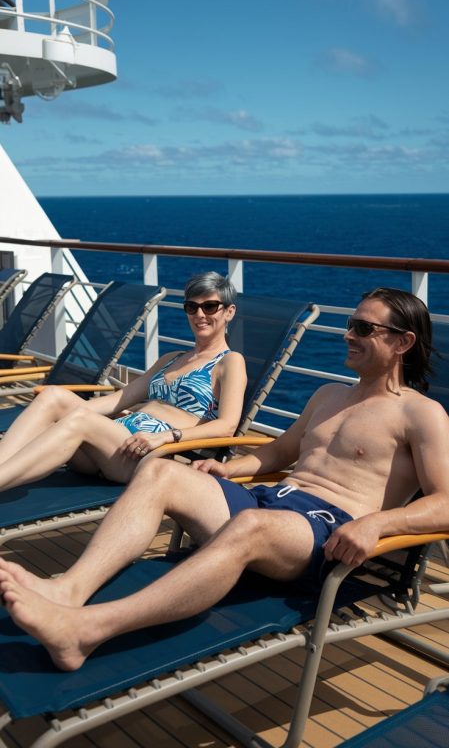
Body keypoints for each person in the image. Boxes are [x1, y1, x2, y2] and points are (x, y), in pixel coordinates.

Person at [1, 286, 449, 673]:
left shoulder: (420, 414)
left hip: (327, 529)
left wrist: (377, 524)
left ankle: (88, 631)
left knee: (249, 527)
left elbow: (445, 500)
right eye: (351, 324)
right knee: (159, 470)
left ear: (404, 342)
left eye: (365, 329)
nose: (349, 335)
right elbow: (279, 452)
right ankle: (69, 589)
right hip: (273, 500)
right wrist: (226, 468)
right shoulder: (329, 394)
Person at [0, 271, 246, 491]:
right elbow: (123, 398)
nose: (200, 314)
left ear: (229, 312)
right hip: (110, 442)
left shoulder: (230, 362)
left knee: (81, 419)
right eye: (192, 307)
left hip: (145, 454)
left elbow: (226, 426)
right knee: (53, 396)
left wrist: (166, 437)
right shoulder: (172, 358)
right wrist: (64, 411)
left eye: (210, 307)